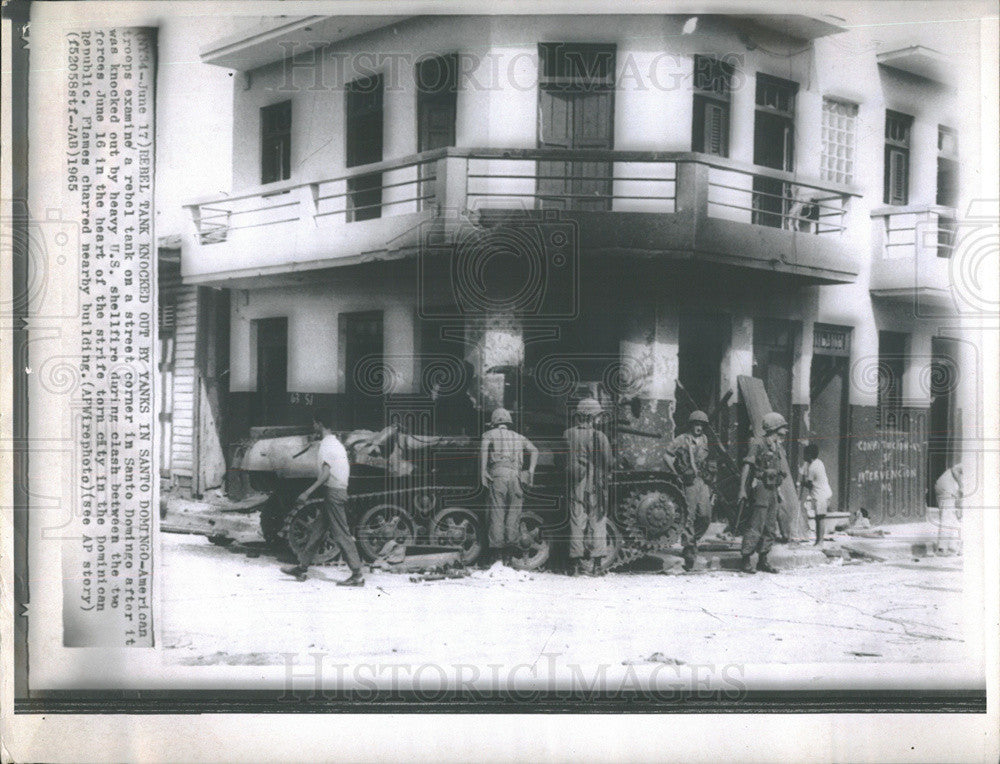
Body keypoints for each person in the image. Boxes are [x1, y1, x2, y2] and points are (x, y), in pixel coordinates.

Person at [281, 409, 365, 586]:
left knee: (341, 533)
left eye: (314, 423)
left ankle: (357, 574)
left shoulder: (328, 445)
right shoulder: (335, 443)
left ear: (319, 424)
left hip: (334, 493)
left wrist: (307, 492)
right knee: (317, 532)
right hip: (334, 492)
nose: (313, 427)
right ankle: (302, 568)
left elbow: (326, 473)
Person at [480, 407, 538, 566]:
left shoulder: (489, 434)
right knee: (514, 515)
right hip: (516, 477)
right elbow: (534, 450)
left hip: (498, 475)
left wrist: (483, 471)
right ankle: (508, 557)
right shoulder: (519, 437)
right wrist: (530, 471)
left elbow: (484, 449)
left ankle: (497, 557)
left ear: (494, 422)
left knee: (497, 514)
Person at [564, 398, 613, 576]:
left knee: (577, 520)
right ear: (592, 417)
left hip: (577, 482)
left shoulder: (568, 434)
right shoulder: (600, 436)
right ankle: (597, 566)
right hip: (595, 483)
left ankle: (575, 566)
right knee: (597, 522)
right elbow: (608, 461)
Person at [737, 411, 789, 574]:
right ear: (774, 428)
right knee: (756, 524)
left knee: (770, 526)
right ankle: (746, 559)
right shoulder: (758, 443)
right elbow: (747, 466)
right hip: (760, 488)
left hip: (773, 489)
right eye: (782, 428)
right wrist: (742, 489)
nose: (784, 431)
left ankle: (763, 560)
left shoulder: (778, 446)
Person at [666, 410, 713, 571]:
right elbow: (667, 455)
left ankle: (692, 541)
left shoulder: (704, 440)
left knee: (706, 515)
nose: (698, 428)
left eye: (701, 425)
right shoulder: (682, 439)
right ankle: (689, 549)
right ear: (691, 425)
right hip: (689, 482)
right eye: (696, 424)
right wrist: (675, 473)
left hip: (702, 480)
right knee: (690, 515)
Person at [797, 443, 833, 545]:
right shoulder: (818, 462)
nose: (803, 456)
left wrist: (801, 483)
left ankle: (820, 542)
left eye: (805, 454)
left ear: (809, 455)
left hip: (820, 495)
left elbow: (809, 484)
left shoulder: (813, 467)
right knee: (818, 518)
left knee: (820, 518)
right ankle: (818, 541)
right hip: (822, 494)